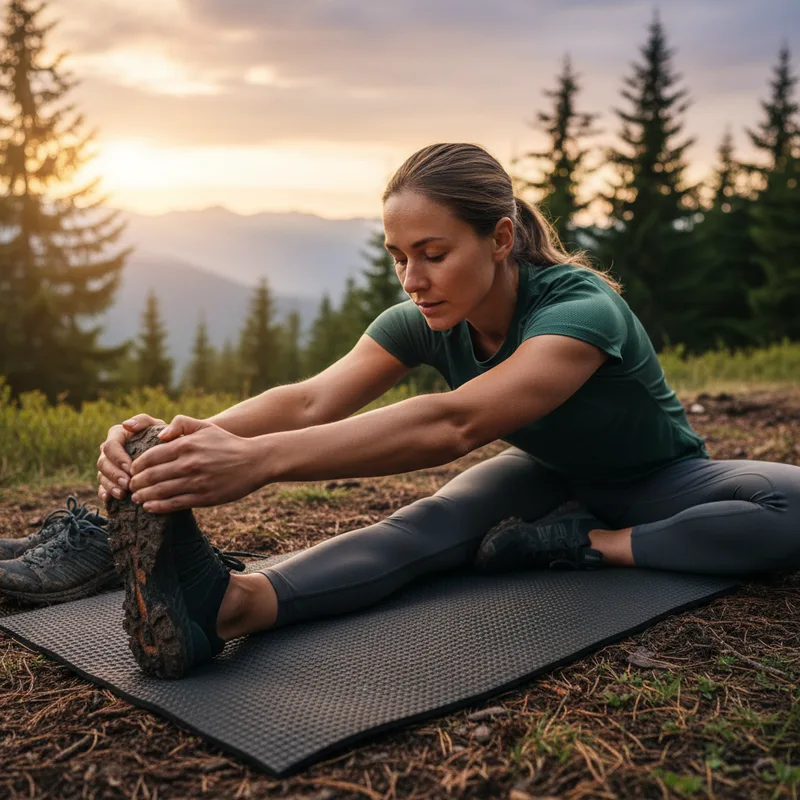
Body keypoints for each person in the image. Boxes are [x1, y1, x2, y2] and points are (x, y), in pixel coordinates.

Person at [94, 142, 800, 679]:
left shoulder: (582, 309)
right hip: (546, 475)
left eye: (433, 254)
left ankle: (589, 542)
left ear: (500, 239)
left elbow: (456, 422)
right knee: (424, 526)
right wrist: (174, 440)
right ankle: (230, 607)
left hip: (659, 482)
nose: (413, 280)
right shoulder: (425, 317)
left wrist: (259, 462)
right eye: (399, 257)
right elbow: (311, 399)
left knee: (791, 508)